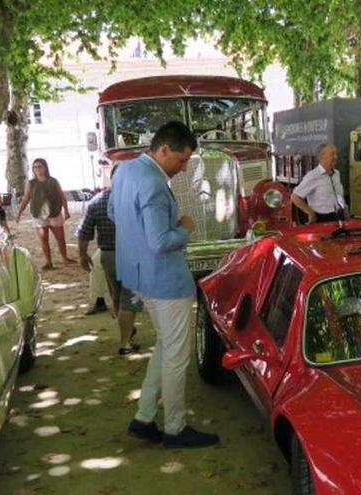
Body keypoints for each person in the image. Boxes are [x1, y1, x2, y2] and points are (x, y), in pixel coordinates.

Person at [108, 121, 219, 448]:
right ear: (164, 149)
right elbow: (160, 241)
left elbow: (116, 214)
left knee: (165, 346)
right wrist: (184, 227)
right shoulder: (155, 183)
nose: (184, 169)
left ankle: (144, 418)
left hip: (138, 276)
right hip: (165, 281)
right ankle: (174, 427)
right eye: (182, 160)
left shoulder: (125, 171)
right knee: (176, 355)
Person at [77, 164, 144, 354]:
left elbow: (84, 232)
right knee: (129, 299)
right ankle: (125, 343)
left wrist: (82, 254)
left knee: (116, 295)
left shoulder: (96, 202)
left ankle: (127, 333)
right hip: (130, 254)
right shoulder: (136, 200)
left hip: (107, 256)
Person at [16, 158, 75, 269]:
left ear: (45, 167)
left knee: (60, 238)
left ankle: (65, 258)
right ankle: (49, 262)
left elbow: (62, 196)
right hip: (38, 214)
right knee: (44, 240)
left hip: (54, 212)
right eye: (34, 167)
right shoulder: (31, 183)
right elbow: (25, 199)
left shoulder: (53, 181)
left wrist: (66, 210)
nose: (37, 169)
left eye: (39, 166)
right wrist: (19, 212)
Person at [290, 143, 346, 223]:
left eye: (336, 154)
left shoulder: (337, 173)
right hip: (322, 219)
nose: (336, 157)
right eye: (332, 154)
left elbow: (338, 195)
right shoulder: (313, 176)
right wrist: (310, 213)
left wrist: (344, 207)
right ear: (322, 156)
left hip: (339, 217)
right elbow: (295, 197)